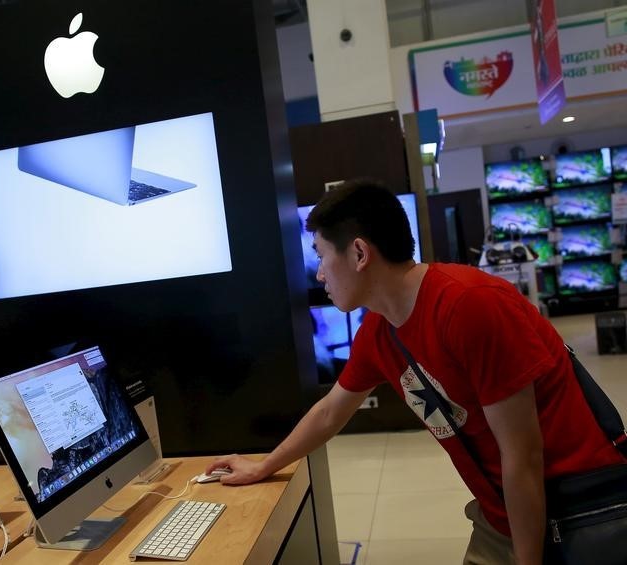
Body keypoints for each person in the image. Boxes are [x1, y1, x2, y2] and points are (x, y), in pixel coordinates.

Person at [206, 180, 626, 565]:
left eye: (320, 255)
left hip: (576, 511)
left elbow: (522, 455)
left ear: (358, 253)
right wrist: (263, 466)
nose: (318, 274)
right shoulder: (379, 328)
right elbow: (331, 411)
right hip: (502, 512)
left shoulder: (470, 305)